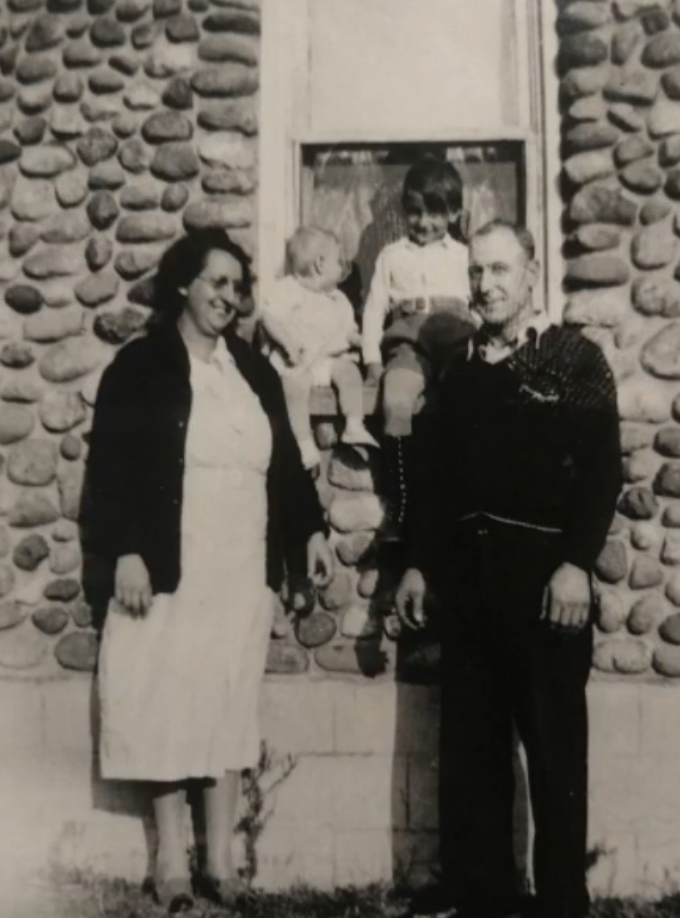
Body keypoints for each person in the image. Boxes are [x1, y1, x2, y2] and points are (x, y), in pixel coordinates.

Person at [81, 228, 334, 914]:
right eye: (216, 282)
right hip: (169, 560)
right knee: (165, 695)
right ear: (183, 287)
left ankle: (219, 863)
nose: (229, 296)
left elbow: (284, 461)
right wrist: (127, 549)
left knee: (225, 699)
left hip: (238, 561)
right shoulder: (139, 368)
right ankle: (170, 865)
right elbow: (112, 467)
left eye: (237, 285)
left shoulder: (252, 370)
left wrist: (308, 530)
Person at [396, 220, 621, 918]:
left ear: (531, 277)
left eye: (501, 271)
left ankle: (560, 904)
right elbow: (431, 484)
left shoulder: (575, 360)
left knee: (556, 760)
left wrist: (576, 564)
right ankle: (485, 901)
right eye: (478, 273)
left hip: (546, 590)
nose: (487, 285)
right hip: (469, 589)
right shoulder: (459, 370)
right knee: (471, 760)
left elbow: (601, 474)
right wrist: (414, 565)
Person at [361, 157, 474, 540]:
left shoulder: (464, 256)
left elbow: (478, 305)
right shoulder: (391, 256)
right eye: (415, 212)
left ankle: (465, 503)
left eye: (435, 214)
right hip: (408, 342)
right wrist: (373, 361)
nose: (424, 223)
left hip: (455, 338)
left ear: (455, 212)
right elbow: (375, 308)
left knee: (465, 400)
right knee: (395, 402)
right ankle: (401, 504)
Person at [261, 226, 378, 470]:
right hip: (297, 361)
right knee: (294, 388)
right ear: (319, 265)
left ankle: (354, 424)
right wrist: (287, 342)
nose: (342, 267)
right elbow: (269, 316)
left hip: (326, 362)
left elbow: (348, 330)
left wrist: (358, 339)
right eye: (339, 261)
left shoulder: (337, 298)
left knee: (348, 371)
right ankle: (303, 442)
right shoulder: (289, 289)